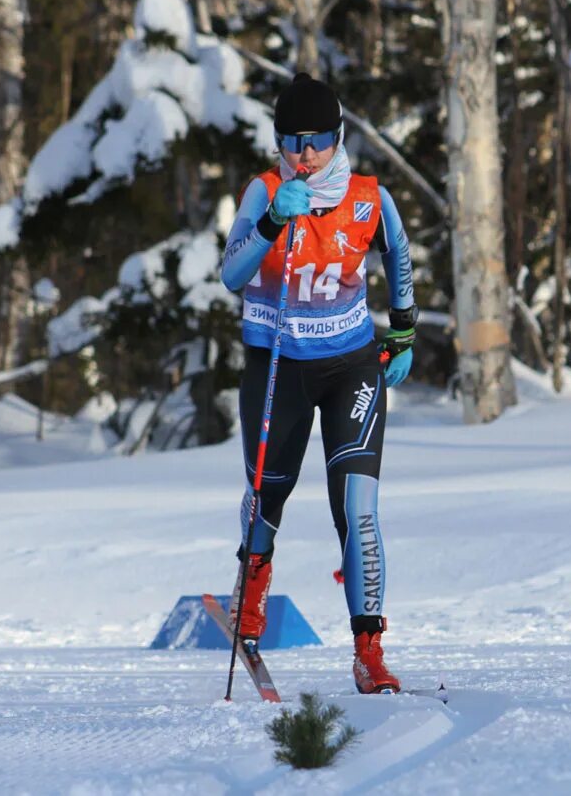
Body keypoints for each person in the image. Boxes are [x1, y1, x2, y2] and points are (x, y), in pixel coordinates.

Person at [219, 73, 416, 694]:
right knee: (267, 496)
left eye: (319, 141)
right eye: (293, 141)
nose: (306, 155)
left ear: (339, 138)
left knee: (357, 510)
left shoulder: (366, 196)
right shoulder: (265, 191)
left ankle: (369, 649)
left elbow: (399, 254)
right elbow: (231, 273)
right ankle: (250, 592)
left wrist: (404, 330)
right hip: (277, 364)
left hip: (350, 366)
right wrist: (274, 222)